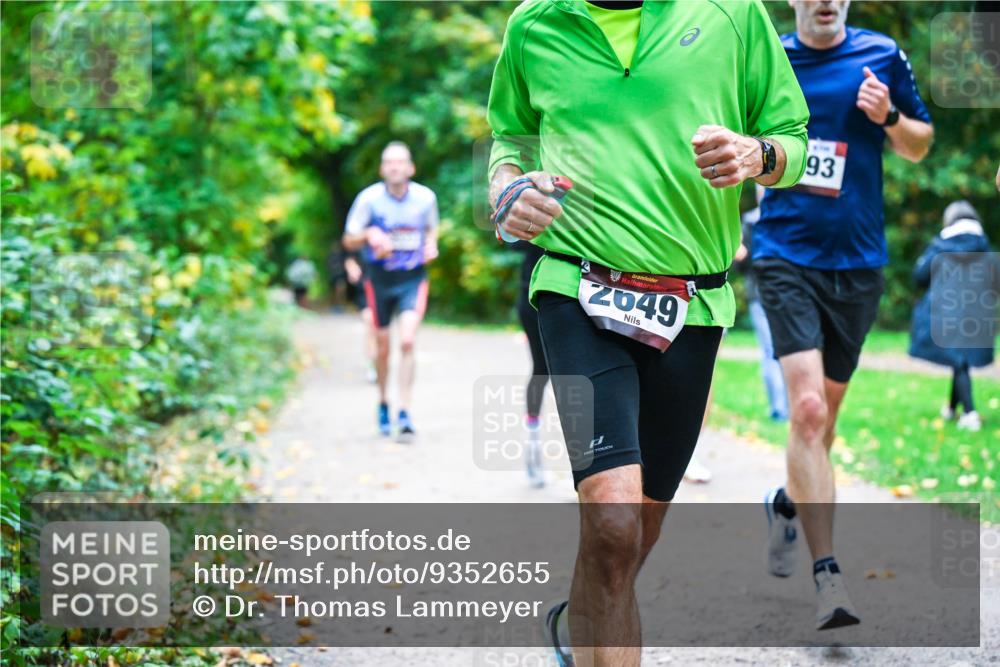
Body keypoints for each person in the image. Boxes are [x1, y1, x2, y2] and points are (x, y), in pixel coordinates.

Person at [487, 1, 809, 664]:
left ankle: (579, 619)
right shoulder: (535, 23)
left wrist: (757, 154)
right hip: (576, 288)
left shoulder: (732, 14)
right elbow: (509, 139)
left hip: (690, 305)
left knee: (630, 541)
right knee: (611, 520)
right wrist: (508, 191)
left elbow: (794, 144)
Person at [752, 0, 933, 630]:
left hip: (857, 260)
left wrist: (888, 119)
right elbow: (738, 139)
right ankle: (828, 576)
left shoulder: (881, 55)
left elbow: (919, 144)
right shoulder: (767, 56)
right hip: (783, 252)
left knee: (823, 423)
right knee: (806, 410)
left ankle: (786, 503)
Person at [342, 141, 439, 442]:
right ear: (382, 168)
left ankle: (405, 412)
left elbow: (431, 230)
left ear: (410, 167)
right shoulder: (369, 200)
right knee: (383, 347)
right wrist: (369, 234)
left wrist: (431, 244)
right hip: (379, 280)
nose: (395, 167)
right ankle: (383, 402)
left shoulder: (425, 198)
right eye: (389, 162)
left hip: (412, 279)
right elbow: (348, 240)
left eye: (400, 162)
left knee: (408, 341)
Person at [909, 201, 998, 432]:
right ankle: (951, 408)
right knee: (960, 361)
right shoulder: (985, 248)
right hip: (978, 313)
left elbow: (919, 276)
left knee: (959, 361)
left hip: (945, 312)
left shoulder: (940, 246)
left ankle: (970, 414)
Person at [736, 195, 789, 421]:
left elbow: (742, 262)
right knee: (773, 351)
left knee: (779, 351)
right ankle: (780, 408)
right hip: (762, 294)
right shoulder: (751, 221)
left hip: (780, 293)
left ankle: (783, 407)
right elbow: (741, 263)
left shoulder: (781, 217)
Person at [513, 240, 549, 488]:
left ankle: (586, 466)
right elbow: (512, 241)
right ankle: (533, 439)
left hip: (581, 297)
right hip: (533, 296)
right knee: (543, 369)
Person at [343, 248, 377, 383]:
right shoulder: (362, 232)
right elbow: (350, 256)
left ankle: (379, 360)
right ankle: (371, 366)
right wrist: (352, 268)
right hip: (366, 286)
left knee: (381, 330)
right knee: (370, 323)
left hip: (387, 288)